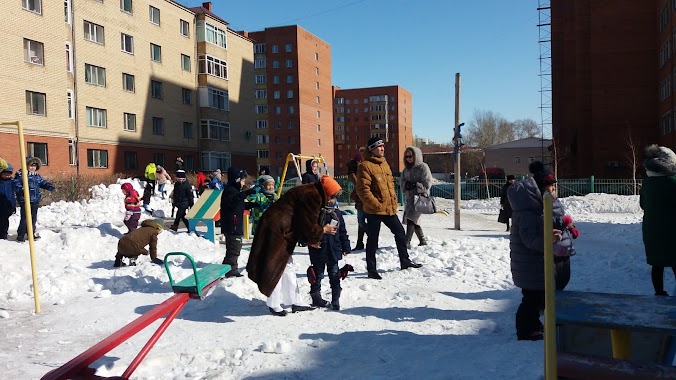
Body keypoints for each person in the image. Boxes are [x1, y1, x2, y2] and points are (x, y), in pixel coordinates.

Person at [246, 175, 340, 316]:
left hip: (283, 227)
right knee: (275, 264)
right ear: (327, 191)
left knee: (287, 265)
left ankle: (294, 300)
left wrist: (311, 238)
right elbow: (308, 224)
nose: (332, 200)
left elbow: (301, 219)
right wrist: (323, 230)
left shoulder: (313, 191)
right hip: (277, 229)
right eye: (332, 196)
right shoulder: (313, 196)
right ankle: (273, 303)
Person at [508, 161, 575, 341]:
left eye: (554, 186)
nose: (554, 190)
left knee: (539, 298)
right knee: (532, 300)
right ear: (540, 188)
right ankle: (525, 330)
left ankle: (534, 324)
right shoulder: (528, 212)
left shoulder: (540, 206)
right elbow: (529, 239)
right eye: (550, 187)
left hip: (538, 263)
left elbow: (547, 225)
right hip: (531, 265)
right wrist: (549, 240)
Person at [356, 138, 422, 279]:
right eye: (378, 147)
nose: (382, 149)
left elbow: (390, 186)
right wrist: (376, 204)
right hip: (374, 210)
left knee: (400, 233)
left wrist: (393, 201)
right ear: (372, 149)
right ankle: (371, 269)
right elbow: (363, 190)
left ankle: (405, 261)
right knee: (373, 239)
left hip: (389, 209)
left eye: (383, 146)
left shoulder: (384, 163)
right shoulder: (365, 166)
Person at [308, 179, 351, 311]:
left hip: (333, 250)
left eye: (334, 197)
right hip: (318, 250)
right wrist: (311, 241)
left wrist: (346, 246)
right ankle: (316, 297)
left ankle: (335, 299)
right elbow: (308, 230)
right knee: (318, 275)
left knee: (334, 274)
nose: (332, 200)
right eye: (330, 197)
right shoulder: (314, 213)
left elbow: (342, 232)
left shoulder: (337, 214)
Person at [640, 144, 676, 296]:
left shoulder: (647, 183)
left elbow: (643, 205)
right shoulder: (673, 182)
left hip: (652, 230)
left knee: (657, 264)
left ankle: (659, 292)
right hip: (672, 230)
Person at [221, 167, 258, 277]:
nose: (243, 183)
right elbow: (233, 202)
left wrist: (252, 205)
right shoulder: (230, 191)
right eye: (242, 181)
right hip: (232, 225)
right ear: (236, 180)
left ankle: (227, 267)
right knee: (234, 248)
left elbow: (240, 204)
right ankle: (231, 269)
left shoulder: (235, 191)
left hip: (235, 225)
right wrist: (247, 193)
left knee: (234, 247)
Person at [14, 157, 54, 242]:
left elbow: (42, 182)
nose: (33, 168)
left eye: (34, 166)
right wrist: (22, 189)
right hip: (25, 200)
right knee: (25, 218)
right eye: (31, 166)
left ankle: (31, 233)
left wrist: (48, 186)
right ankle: (21, 234)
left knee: (33, 218)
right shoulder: (21, 174)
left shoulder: (36, 176)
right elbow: (16, 184)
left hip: (35, 200)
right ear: (26, 166)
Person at [400, 146, 433, 249]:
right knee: (414, 220)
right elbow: (401, 182)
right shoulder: (406, 169)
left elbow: (427, 183)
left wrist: (416, 185)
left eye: (411, 156)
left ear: (416, 156)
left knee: (411, 218)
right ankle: (422, 240)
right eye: (407, 156)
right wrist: (406, 185)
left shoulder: (423, 167)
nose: (409, 158)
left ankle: (407, 242)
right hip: (409, 199)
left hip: (419, 199)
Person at [347, 148, 366, 251]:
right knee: (361, 221)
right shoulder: (354, 168)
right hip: (360, 200)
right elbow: (357, 184)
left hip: (367, 199)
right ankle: (360, 242)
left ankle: (371, 239)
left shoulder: (367, 167)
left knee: (365, 221)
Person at [0, 163, 17, 240]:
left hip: (8, 204)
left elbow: (17, 190)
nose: (7, 176)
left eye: (9, 175)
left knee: (4, 220)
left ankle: (3, 234)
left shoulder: (12, 182)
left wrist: (13, 205)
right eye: (5, 174)